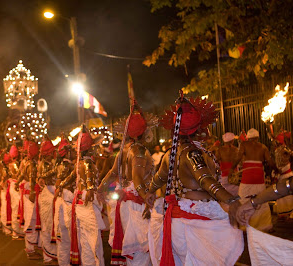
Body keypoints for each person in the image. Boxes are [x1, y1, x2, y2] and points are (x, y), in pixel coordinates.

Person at [145, 94, 243, 266]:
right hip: (193, 222)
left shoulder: (170, 154)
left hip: (178, 222)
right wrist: (232, 200)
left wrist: (149, 193)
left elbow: (158, 179)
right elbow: (205, 180)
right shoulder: (192, 153)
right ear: (199, 129)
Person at [97, 100, 158, 266]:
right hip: (135, 205)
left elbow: (112, 173)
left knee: (136, 250)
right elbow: (137, 179)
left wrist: (101, 188)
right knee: (140, 251)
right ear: (144, 132)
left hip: (125, 204)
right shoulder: (138, 151)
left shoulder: (124, 150)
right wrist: (146, 197)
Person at [58, 126, 105, 266]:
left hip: (79, 205)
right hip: (87, 203)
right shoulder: (88, 162)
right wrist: (91, 189)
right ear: (90, 148)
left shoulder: (78, 164)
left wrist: (60, 186)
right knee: (94, 241)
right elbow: (90, 176)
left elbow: (70, 178)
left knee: (85, 241)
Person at [229, 128, 274, 232]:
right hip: (259, 176)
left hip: (247, 176)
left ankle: (245, 226)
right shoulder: (263, 147)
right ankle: (264, 225)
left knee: (243, 199)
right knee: (262, 199)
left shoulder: (244, 144)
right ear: (257, 137)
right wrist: (277, 170)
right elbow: (270, 162)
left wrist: (232, 169)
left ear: (248, 138)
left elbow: (239, 157)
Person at [52, 137, 75, 266]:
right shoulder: (68, 166)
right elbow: (59, 182)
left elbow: (57, 182)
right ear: (67, 152)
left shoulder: (58, 165)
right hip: (67, 203)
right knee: (69, 238)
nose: (74, 152)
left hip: (61, 201)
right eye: (71, 150)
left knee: (62, 239)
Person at [37, 136, 58, 264]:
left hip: (50, 195)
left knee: (51, 225)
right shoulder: (44, 164)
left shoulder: (49, 163)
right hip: (47, 195)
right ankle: (48, 256)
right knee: (47, 225)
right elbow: (44, 178)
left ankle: (51, 253)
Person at [273, 131, 293, 220]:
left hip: (287, 174)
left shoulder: (285, 149)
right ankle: (284, 214)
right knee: (282, 195)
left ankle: (288, 213)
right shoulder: (278, 149)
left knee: (287, 195)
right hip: (281, 175)